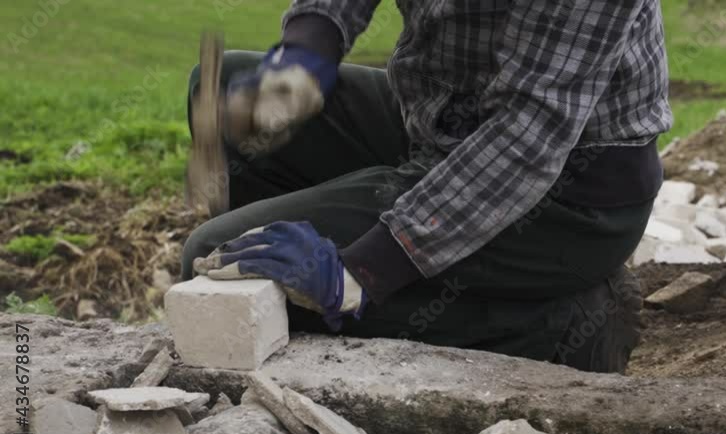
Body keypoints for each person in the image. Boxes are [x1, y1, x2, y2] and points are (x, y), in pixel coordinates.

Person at [181, 0, 672, 373]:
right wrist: (307, 51)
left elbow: (529, 131)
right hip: (444, 121)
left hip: (565, 196)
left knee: (217, 260)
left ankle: (564, 324)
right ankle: (300, 324)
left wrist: (363, 270)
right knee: (221, 84)